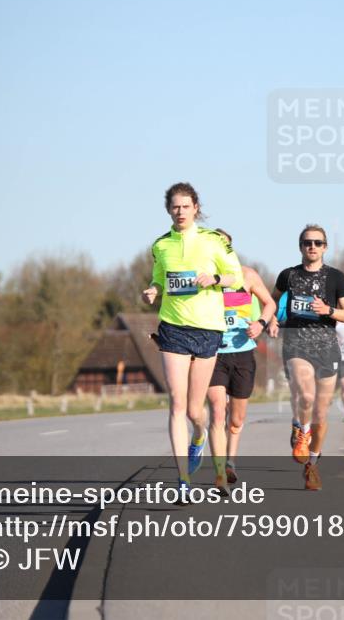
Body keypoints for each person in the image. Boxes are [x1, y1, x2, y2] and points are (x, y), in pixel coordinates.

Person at [142, 183, 243, 498]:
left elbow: (236, 277)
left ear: (196, 207)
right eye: (175, 207)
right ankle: (183, 480)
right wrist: (154, 290)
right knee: (176, 402)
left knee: (194, 411)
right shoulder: (161, 245)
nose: (180, 211)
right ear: (168, 209)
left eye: (186, 206)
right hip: (173, 328)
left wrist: (214, 279)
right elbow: (159, 276)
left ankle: (198, 435)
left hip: (208, 330)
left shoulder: (213, 241)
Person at [269, 224, 344, 490]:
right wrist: (271, 319)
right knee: (305, 395)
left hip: (327, 347)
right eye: (308, 242)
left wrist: (328, 309)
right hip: (296, 344)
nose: (313, 247)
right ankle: (300, 429)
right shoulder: (288, 275)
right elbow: (273, 303)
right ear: (301, 246)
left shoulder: (336, 278)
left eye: (318, 243)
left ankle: (313, 465)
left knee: (321, 412)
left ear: (325, 247)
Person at [207, 229, 277, 488]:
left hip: (243, 352)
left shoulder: (247, 275)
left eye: (222, 246)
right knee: (217, 412)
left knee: (235, 420)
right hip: (213, 353)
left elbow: (269, 303)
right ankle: (219, 473)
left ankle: (230, 462)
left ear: (230, 249)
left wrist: (260, 323)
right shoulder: (204, 279)